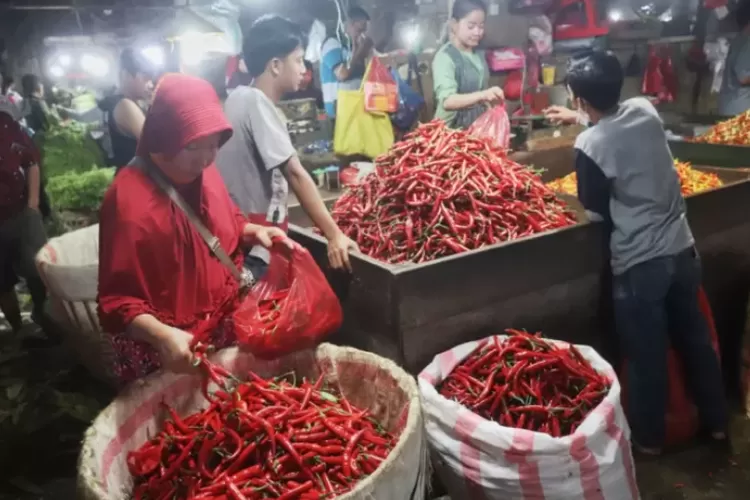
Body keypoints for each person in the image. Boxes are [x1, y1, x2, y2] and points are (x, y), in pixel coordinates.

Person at [544, 50, 728, 454]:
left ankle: (648, 440)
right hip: (682, 250)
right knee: (696, 341)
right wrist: (579, 118)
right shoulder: (644, 111)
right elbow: (616, 125)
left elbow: (593, 209)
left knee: (647, 356)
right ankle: (717, 423)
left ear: (579, 99)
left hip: (640, 264)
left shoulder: (590, 144)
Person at [97, 73, 294, 385]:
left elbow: (224, 222)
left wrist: (253, 232)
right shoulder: (128, 203)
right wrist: (162, 336)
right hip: (168, 349)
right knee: (179, 422)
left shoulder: (204, 172)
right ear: (164, 137)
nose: (205, 159)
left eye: (214, 145)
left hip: (221, 326)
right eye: (193, 147)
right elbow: (118, 302)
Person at [216, 15, 358, 274]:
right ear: (275, 65)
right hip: (255, 245)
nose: (304, 68)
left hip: (240, 235)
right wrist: (334, 234)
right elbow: (294, 172)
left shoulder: (237, 97)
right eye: (298, 59)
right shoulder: (255, 102)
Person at [0, 95, 48, 333]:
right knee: (2, 284)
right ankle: (17, 330)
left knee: (40, 270)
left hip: (21, 213)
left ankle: (47, 319)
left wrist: (32, 204)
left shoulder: (5, 124)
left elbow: (31, 163)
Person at [432, 0, 504, 129]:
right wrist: (483, 95)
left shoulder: (477, 53)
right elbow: (448, 101)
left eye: (481, 26)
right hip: (450, 132)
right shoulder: (445, 57)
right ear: (454, 25)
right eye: (471, 26)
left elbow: (481, 89)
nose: (477, 32)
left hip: (476, 126)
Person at [97, 48, 154, 169]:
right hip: (135, 182)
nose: (150, 84)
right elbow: (156, 145)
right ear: (126, 75)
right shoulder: (125, 105)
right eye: (145, 78)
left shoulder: (118, 101)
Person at [319, 6, 373, 119]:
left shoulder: (351, 47)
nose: (362, 35)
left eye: (364, 31)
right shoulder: (332, 44)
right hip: (338, 113)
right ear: (349, 24)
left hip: (353, 111)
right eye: (359, 30)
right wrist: (358, 52)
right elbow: (343, 74)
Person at [719, 1, 750, 116]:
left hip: (732, 107)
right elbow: (744, 77)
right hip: (740, 109)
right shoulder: (748, 42)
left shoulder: (740, 39)